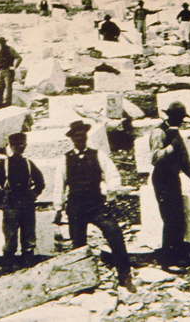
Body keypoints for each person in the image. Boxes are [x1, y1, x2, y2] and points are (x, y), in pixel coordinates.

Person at [53, 121, 136, 292]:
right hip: (75, 206)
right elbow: (58, 184)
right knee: (78, 244)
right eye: (76, 137)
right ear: (72, 139)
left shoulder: (98, 155)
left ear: (86, 137)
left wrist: (111, 195)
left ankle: (124, 276)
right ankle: (82, 283)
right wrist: (58, 208)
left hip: (96, 204)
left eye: (82, 137)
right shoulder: (65, 159)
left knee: (115, 235)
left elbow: (113, 174)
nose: (80, 140)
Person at [150, 102, 190, 271]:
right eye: (180, 118)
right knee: (170, 218)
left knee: (178, 218)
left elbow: (185, 158)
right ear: (171, 116)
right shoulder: (159, 132)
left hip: (174, 177)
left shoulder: (176, 133)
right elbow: (155, 158)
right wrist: (170, 148)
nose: (182, 121)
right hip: (162, 178)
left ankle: (178, 254)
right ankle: (167, 260)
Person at [0, 132, 45, 264]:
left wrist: (34, 194)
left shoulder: (29, 164)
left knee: (29, 236)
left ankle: (29, 264)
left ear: (25, 146)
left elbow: (40, 182)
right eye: (16, 145)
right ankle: (9, 265)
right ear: (11, 147)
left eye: (22, 145)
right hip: (11, 205)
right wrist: (2, 197)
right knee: (10, 237)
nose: (19, 147)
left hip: (27, 204)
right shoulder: (5, 164)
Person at [0, 37, 22, 109]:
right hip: (2, 71)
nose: (1, 44)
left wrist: (14, 67)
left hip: (8, 71)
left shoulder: (10, 49)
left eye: (2, 43)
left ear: (5, 42)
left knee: (8, 88)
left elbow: (19, 58)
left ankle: (8, 103)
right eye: (0, 43)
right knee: (0, 87)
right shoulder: (0, 51)